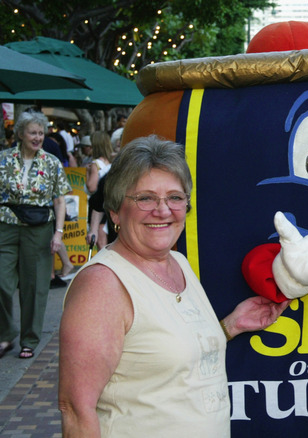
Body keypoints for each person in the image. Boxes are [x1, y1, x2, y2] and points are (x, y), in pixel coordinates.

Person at [58, 135, 290, 436]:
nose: (163, 210)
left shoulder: (177, 262)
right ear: (115, 210)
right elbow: (76, 409)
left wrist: (230, 326)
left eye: (175, 197)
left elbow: (158, 357)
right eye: (145, 198)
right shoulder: (102, 284)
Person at [0, 111, 71, 359]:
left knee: (35, 287)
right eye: (33, 132)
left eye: (41, 133)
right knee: (2, 282)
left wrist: (59, 234)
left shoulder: (51, 162)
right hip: (6, 226)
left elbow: (60, 201)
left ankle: (29, 339)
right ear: (20, 134)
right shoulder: (3, 159)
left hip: (39, 228)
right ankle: (5, 334)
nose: (38, 137)